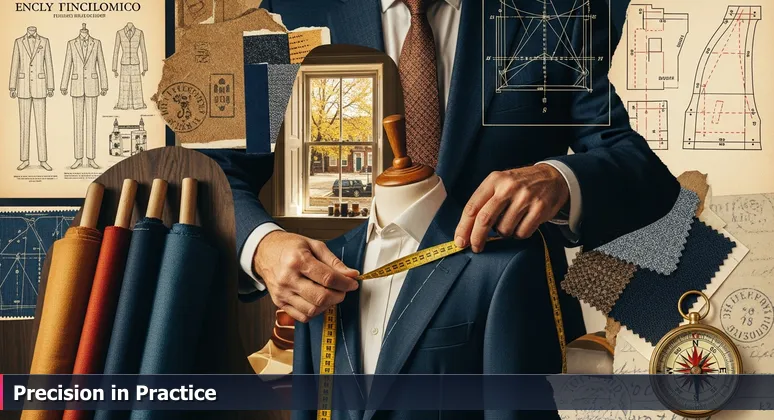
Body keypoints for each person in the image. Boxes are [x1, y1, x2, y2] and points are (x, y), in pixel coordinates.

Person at [203, 0, 679, 339]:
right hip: (343, 336)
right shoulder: (292, 15)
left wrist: (560, 178)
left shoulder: (549, 14)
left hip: (509, 339)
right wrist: (262, 245)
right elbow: (222, 168)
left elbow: (644, 175)